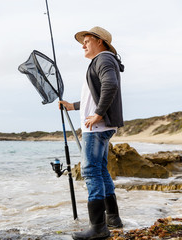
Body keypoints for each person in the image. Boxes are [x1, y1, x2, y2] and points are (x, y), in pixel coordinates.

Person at [59, 26, 124, 240]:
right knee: (101, 171)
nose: (83, 45)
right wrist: (73, 106)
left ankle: (98, 228)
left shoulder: (103, 59)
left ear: (100, 41)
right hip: (101, 126)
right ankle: (113, 219)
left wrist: (97, 114)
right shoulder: (102, 61)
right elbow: (94, 97)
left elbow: (110, 85)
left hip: (96, 127)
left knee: (90, 172)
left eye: (87, 41)